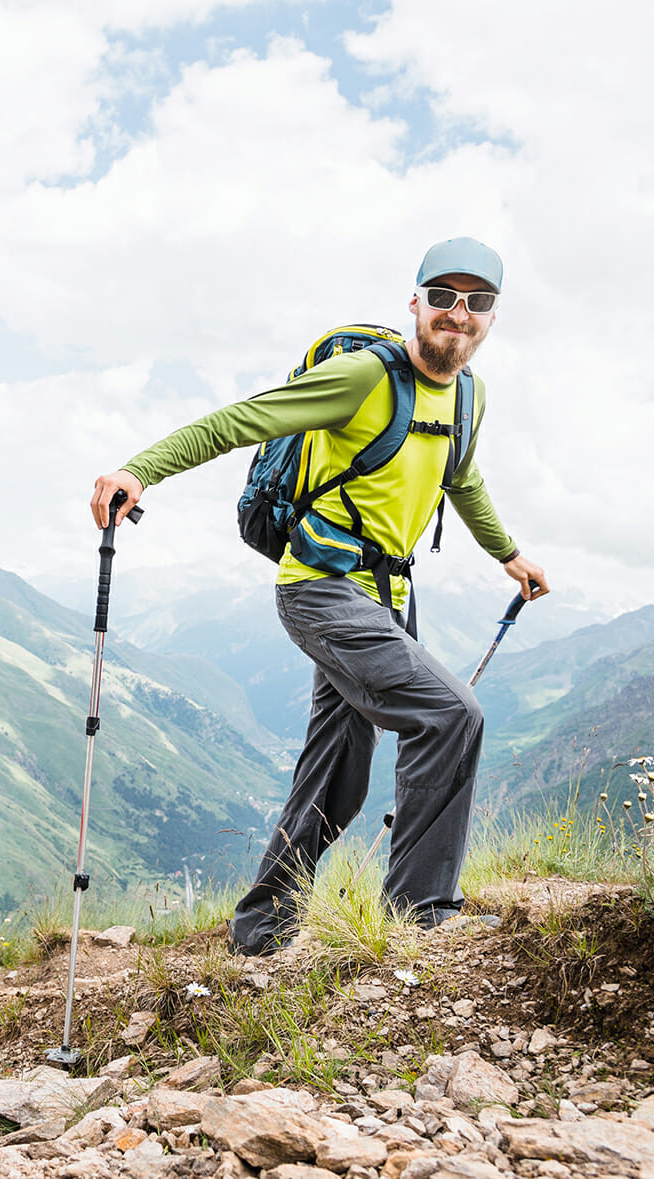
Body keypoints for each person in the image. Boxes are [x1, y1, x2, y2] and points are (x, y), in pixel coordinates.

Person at [89, 237, 549, 955]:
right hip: (321, 589)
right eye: (443, 298)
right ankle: (420, 913)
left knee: (337, 772)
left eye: (477, 302)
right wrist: (139, 470)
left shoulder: (469, 394)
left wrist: (509, 553)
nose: (458, 314)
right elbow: (244, 418)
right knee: (452, 714)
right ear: (416, 303)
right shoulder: (364, 378)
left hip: (388, 593)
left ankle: (261, 926)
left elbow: (461, 477)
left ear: (492, 316)